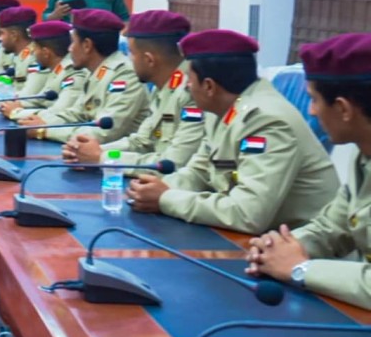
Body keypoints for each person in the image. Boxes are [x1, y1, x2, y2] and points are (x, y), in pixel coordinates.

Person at [128, 29, 339, 234]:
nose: (186, 88)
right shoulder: (221, 109)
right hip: (258, 239)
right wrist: (153, 189)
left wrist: (166, 199)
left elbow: (247, 213)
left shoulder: (267, 120)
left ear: (209, 87)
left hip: (300, 248)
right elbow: (199, 171)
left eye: (189, 82)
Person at [246, 33, 371, 309]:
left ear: (343, 109)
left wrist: (300, 269)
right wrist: (276, 249)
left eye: (314, 100)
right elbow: (332, 227)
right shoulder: (363, 156)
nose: (312, 111)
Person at [63, 10, 202, 171]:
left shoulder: (193, 92)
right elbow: (141, 142)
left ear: (149, 59)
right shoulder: (162, 87)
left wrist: (102, 158)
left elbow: (172, 164)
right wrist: (89, 152)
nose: (129, 60)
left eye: (132, 54)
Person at [18, 9, 148, 143]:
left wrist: (46, 130)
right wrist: (41, 121)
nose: (70, 49)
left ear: (87, 45)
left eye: (73, 42)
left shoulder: (125, 75)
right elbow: (76, 114)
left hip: (116, 156)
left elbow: (104, 132)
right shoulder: (95, 72)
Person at [0, 20, 86, 120]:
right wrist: (12, 104)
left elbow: (57, 112)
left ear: (46, 53)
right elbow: (39, 99)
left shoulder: (72, 73)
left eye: (35, 48)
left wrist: (16, 113)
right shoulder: (56, 69)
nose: (32, 52)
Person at [0, 6, 37, 102]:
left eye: (2, 33)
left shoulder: (35, 58)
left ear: (14, 35)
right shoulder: (16, 57)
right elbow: (1, 81)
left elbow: (31, 97)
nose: (0, 39)